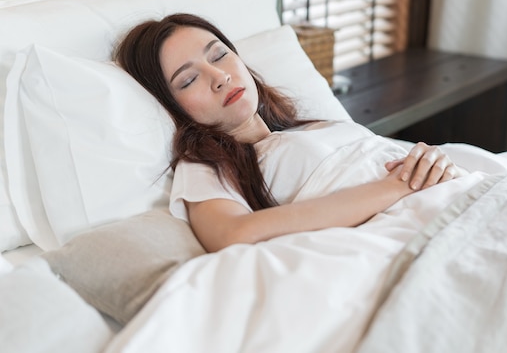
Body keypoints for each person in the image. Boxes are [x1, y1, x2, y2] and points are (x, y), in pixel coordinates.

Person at [115, 13, 465, 252]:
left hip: (455, 197)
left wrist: (429, 162)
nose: (218, 76)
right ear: (171, 105)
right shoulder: (205, 166)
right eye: (189, 79)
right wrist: (396, 187)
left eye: (219, 55)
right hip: (410, 229)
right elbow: (234, 234)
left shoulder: (311, 127)